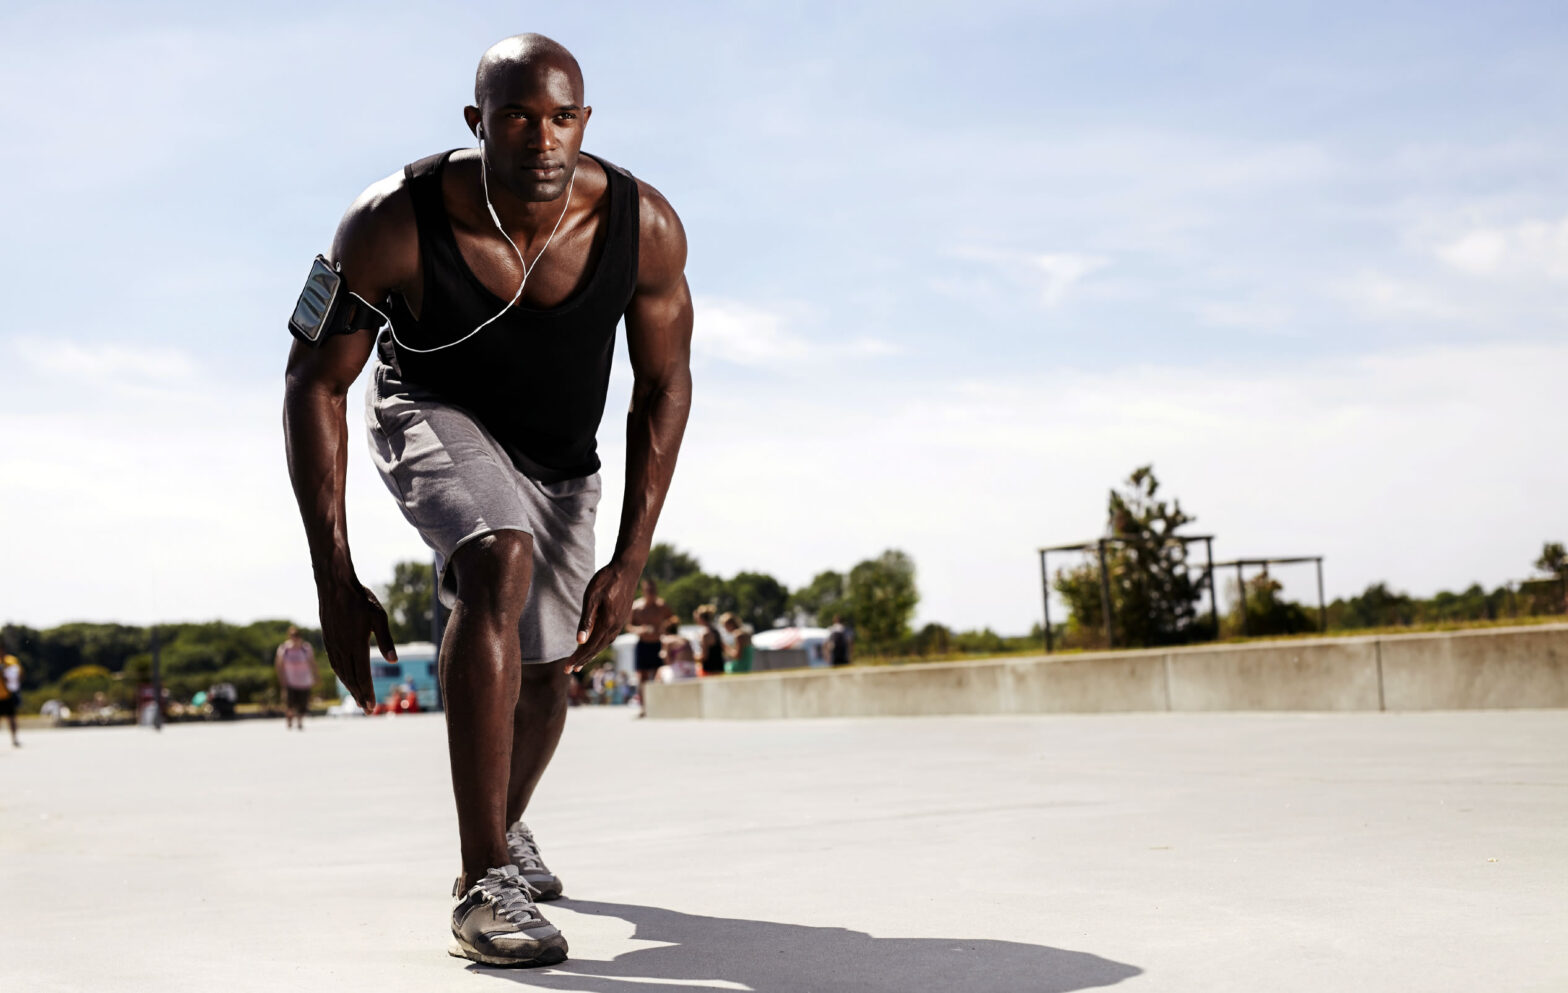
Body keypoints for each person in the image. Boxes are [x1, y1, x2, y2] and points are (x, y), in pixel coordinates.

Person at [282, 33, 692, 969]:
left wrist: (630, 559)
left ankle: (504, 829)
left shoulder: (645, 227)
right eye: (516, 116)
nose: (541, 138)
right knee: (496, 557)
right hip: (428, 409)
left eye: (561, 117)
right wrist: (333, 576)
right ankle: (482, 887)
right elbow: (312, 384)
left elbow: (666, 385)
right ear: (478, 124)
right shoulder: (390, 221)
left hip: (560, 456)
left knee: (550, 670)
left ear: (583, 122)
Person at [627, 578, 675, 714]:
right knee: (642, 677)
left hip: (658, 644)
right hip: (643, 644)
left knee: (660, 675)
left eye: (653, 590)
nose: (651, 593)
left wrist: (664, 629)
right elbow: (629, 626)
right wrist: (639, 630)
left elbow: (673, 620)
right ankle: (644, 707)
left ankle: (659, 705)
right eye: (648, 590)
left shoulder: (662, 606)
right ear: (643, 591)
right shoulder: (636, 607)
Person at [274, 626, 319, 730]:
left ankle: (299, 721)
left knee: (302, 704)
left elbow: (312, 663)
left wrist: (316, 676)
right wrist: (281, 678)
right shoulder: (284, 648)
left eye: (296, 635)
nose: (295, 637)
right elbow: (279, 664)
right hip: (290, 681)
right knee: (290, 704)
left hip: (304, 681)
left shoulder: (306, 648)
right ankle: (289, 718)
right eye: (293, 635)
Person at [659, 616, 697, 681]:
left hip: (680, 670)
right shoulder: (685, 639)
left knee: (660, 671)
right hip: (692, 669)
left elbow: (667, 661)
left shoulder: (667, 640)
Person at [694, 604, 725, 677]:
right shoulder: (716, 631)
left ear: (700, 618)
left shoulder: (705, 633)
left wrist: (691, 658)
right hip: (719, 667)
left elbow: (704, 656)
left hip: (709, 670)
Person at [0, 654, 22, 747]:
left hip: (8, 694)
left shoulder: (11, 660)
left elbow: (19, 674)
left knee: (12, 717)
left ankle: (14, 738)